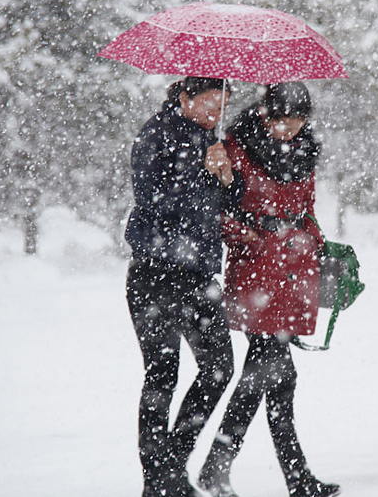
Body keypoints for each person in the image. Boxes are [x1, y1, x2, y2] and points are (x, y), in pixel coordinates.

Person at [198, 82, 341, 497]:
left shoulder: (305, 152)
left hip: (295, 268)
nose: (287, 128)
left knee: (278, 377)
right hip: (257, 270)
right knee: (268, 372)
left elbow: (306, 208)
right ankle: (223, 469)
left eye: (296, 120)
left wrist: (319, 243)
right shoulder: (235, 147)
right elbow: (221, 214)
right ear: (265, 114)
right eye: (279, 119)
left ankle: (292, 477)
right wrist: (256, 236)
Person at [125, 76, 245, 497]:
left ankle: (170, 468)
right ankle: (158, 482)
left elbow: (227, 205)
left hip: (197, 278)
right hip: (154, 275)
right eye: (210, 102)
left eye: (222, 103)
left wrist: (228, 177)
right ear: (183, 97)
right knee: (162, 374)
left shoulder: (209, 140)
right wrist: (202, 170)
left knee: (219, 369)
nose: (216, 111)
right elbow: (155, 201)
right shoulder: (156, 134)